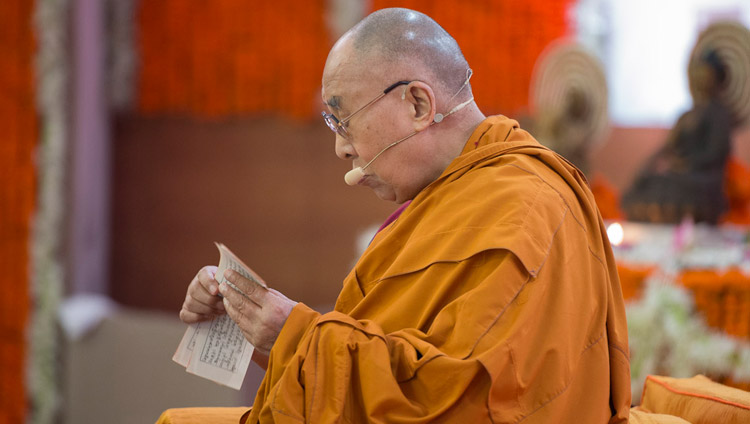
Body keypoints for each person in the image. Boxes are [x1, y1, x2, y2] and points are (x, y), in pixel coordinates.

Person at [177, 8, 631, 423]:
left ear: (417, 104)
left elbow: (458, 400)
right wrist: (255, 328)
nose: (342, 148)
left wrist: (292, 334)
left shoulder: (526, 208)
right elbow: (388, 355)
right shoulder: (444, 199)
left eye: (343, 119)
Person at [622, 49, 732, 224]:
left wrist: (687, 163)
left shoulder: (719, 114)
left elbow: (717, 152)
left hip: (703, 176)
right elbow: (667, 147)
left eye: (706, 73)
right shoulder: (686, 115)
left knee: (678, 185)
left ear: (716, 78)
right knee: (652, 181)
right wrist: (648, 165)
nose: (700, 78)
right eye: (698, 73)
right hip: (679, 171)